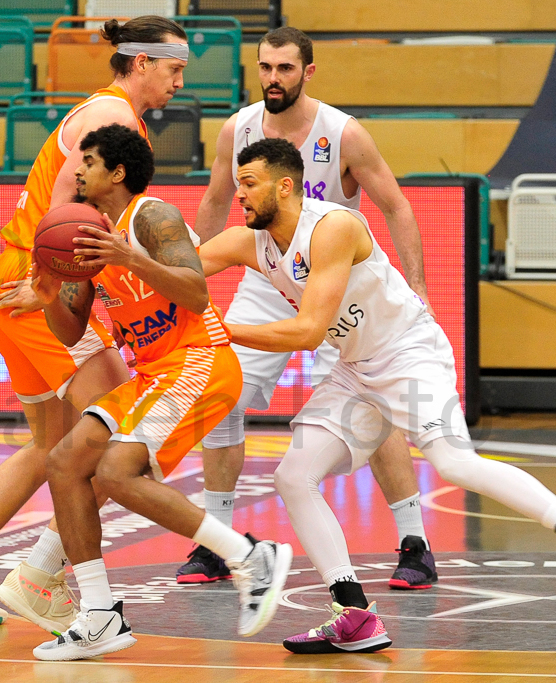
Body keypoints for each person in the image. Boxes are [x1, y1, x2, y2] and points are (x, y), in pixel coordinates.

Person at [199, 138, 556, 655]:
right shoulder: (251, 242)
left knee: (453, 462)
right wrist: (115, 259)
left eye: (248, 184)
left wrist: (223, 330)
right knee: (293, 477)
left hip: (409, 356)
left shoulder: (334, 226)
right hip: (356, 370)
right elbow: (180, 270)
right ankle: (354, 613)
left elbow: (309, 329)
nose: (239, 195)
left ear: (285, 185)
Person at [0, 16, 190, 634]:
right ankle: (41, 577)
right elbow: (65, 212)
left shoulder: (105, 113)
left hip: (18, 281)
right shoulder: (110, 118)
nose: (180, 79)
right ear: (140, 62)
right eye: (173, 67)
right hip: (40, 287)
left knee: (50, 447)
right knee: (125, 442)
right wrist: (51, 288)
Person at [180, 26, 436, 591]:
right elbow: (217, 200)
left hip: (334, 293)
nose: (273, 78)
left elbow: (395, 205)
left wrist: (416, 287)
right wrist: (189, 281)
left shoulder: (343, 133)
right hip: (269, 277)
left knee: (372, 408)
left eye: (285, 69)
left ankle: (414, 543)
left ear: (307, 72)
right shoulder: (238, 128)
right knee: (219, 391)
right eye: (266, 67)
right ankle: (218, 541)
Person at [26, 124, 292, 661]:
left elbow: (196, 293)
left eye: (89, 162)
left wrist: (130, 260)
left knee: (116, 474)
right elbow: (72, 330)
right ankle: (99, 614)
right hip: (152, 371)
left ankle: (248, 556)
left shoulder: (152, 217)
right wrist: (48, 291)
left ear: (117, 173)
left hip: (200, 360)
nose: (76, 171)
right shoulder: (87, 231)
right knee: (63, 463)